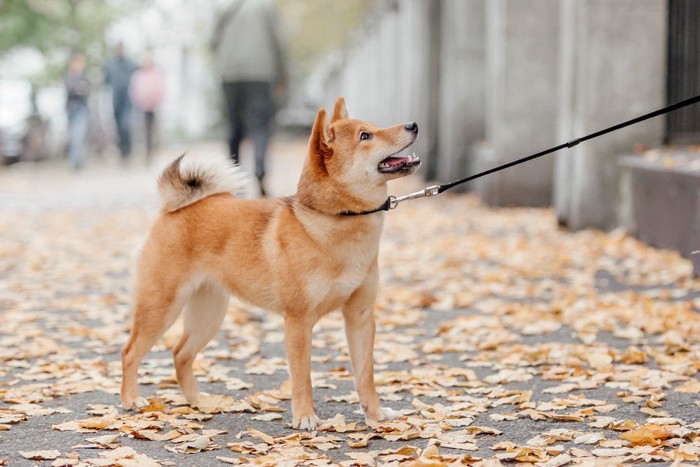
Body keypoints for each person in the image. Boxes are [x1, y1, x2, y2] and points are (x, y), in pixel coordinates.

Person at [210, 0, 289, 196]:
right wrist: (282, 76)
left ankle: (235, 180)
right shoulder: (266, 5)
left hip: (230, 73)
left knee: (234, 126)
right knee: (260, 125)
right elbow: (279, 42)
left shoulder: (222, 5)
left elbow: (212, 41)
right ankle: (260, 171)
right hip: (261, 72)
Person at [103, 42, 138, 160]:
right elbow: (106, 81)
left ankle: (127, 149)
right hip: (115, 100)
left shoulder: (130, 63)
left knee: (125, 125)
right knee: (118, 126)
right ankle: (122, 150)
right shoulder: (110, 64)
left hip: (127, 99)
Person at [129, 55, 165, 163]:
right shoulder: (138, 75)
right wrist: (139, 102)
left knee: (153, 130)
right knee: (143, 131)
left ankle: (153, 152)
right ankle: (144, 153)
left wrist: (155, 101)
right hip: (141, 108)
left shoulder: (156, 74)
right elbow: (134, 91)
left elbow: (160, 89)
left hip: (153, 108)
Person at [64, 52, 90, 171]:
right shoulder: (68, 76)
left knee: (79, 135)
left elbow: (84, 91)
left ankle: (77, 161)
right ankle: (75, 160)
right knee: (74, 136)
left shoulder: (83, 76)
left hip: (81, 109)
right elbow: (72, 91)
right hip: (71, 109)